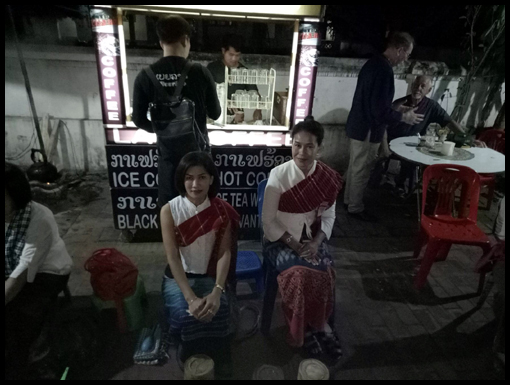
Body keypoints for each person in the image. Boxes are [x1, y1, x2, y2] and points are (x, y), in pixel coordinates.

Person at [262, 116, 344, 360]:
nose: (302, 152)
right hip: (279, 241)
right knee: (300, 275)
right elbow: (268, 222)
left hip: (311, 240)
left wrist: (317, 242)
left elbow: (329, 216)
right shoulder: (279, 176)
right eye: (297, 145)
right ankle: (304, 330)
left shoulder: (327, 178)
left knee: (326, 270)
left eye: (310, 146)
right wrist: (296, 245)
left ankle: (321, 325)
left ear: (319, 148)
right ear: (291, 145)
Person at [160, 151, 239, 377]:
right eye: (189, 177)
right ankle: (189, 349)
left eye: (202, 177)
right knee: (184, 313)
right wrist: (191, 297)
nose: (195, 184)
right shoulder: (169, 210)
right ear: (181, 180)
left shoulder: (221, 210)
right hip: (179, 276)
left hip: (210, 276)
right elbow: (173, 257)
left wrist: (217, 290)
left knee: (220, 308)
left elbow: (225, 253)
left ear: (211, 179)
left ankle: (218, 351)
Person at [132, 15, 221, 206]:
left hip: (168, 161)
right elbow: (216, 113)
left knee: (170, 213)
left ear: (160, 42)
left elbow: (138, 119)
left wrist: (164, 130)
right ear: (186, 40)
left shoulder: (145, 76)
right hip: (198, 160)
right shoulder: (200, 72)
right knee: (202, 210)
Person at [343, 32, 424, 222]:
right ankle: (355, 207)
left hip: (358, 125)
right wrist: (403, 116)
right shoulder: (384, 70)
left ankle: (349, 202)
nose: (406, 59)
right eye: (407, 54)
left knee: (355, 167)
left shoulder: (373, 64)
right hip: (368, 130)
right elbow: (378, 111)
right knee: (361, 170)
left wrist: (394, 108)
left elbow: (374, 103)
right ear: (400, 50)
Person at [5, 162, 73, 380]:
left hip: (48, 272)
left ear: (15, 195)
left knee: (22, 317)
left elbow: (21, 274)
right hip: (12, 269)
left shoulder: (39, 218)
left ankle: (30, 361)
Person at [379, 75, 467, 196]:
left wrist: (466, 138)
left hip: (413, 144)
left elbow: (448, 121)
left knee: (428, 155)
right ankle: (398, 185)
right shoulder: (399, 103)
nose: (418, 88)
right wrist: (384, 145)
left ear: (428, 91)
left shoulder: (431, 106)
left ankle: (415, 188)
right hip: (392, 142)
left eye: (422, 86)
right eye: (415, 85)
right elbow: (382, 125)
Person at [207, 33, 263, 124]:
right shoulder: (212, 68)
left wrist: (258, 109)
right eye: (231, 54)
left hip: (237, 120)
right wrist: (225, 101)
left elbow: (255, 93)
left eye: (237, 55)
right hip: (214, 118)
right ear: (223, 51)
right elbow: (205, 92)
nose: (234, 58)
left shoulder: (244, 71)